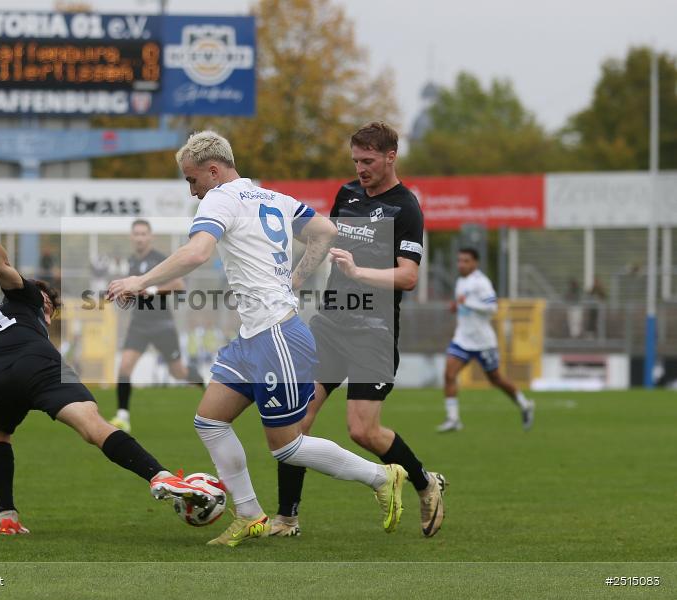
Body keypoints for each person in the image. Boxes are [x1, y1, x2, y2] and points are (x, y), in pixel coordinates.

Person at [108, 131, 407, 547]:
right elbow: (323, 230)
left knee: (286, 448)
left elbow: (196, 253)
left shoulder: (220, 198)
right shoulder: (273, 198)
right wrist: (297, 279)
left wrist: (140, 280)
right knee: (210, 421)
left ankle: (382, 476)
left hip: (276, 336)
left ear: (213, 172)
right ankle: (249, 515)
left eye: (192, 181)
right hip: (253, 335)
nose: (193, 192)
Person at [0, 200, 217, 535]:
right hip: (37, 364)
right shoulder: (27, 297)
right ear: (45, 304)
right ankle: (159, 475)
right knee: (93, 426)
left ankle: (7, 518)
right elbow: (1, 265)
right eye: (52, 308)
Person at [271, 122, 447, 539]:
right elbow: (322, 243)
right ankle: (287, 518)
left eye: (368, 161)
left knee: (362, 430)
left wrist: (357, 272)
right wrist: (295, 278)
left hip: (374, 330)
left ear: (391, 157)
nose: (360, 168)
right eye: (355, 160)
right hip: (330, 324)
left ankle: (425, 483)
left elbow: (408, 277)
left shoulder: (407, 208)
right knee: (295, 419)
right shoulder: (347, 194)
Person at [109, 219, 205, 434]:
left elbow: (180, 285)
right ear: (131, 237)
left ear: (150, 237)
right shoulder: (131, 262)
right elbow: (134, 292)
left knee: (178, 372)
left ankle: (204, 385)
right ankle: (122, 417)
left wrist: (151, 291)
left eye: (144, 234)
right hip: (139, 323)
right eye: (137, 234)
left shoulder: (159, 260)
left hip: (162, 323)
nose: (140, 237)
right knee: (124, 366)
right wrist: (126, 296)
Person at [437, 247, 535, 433]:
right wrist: (456, 306)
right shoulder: (460, 281)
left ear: (475, 263)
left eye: (466, 261)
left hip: (483, 341)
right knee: (449, 375)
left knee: (496, 379)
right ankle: (453, 419)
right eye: (459, 260)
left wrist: (468, 304)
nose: (461, 264)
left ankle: (524, 404)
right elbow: (463, 305)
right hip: (462, 339)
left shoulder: (482, 282)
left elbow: (492, 308)